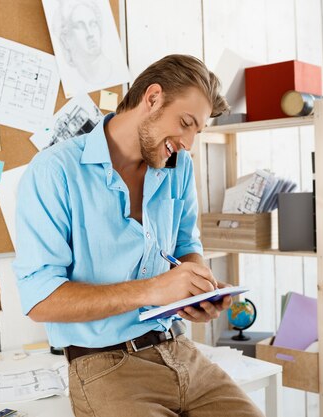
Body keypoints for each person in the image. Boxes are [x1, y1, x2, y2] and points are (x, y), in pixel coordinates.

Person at [14, 54, 264, 417]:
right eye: (185, 123)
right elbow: (40, 300)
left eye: (198, 131)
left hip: (179, 350)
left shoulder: (179, 167)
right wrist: (155, 290)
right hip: (104, 364)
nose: (188, 143)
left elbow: (185, 247)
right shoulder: (54, 172)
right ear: (152, 98)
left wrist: (195, 288)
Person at [57, 0, 113, 85]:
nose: (90, 33)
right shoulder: (72, 80)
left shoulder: (115, 70)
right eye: (80, 26)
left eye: (93, 24)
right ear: (66, 40)